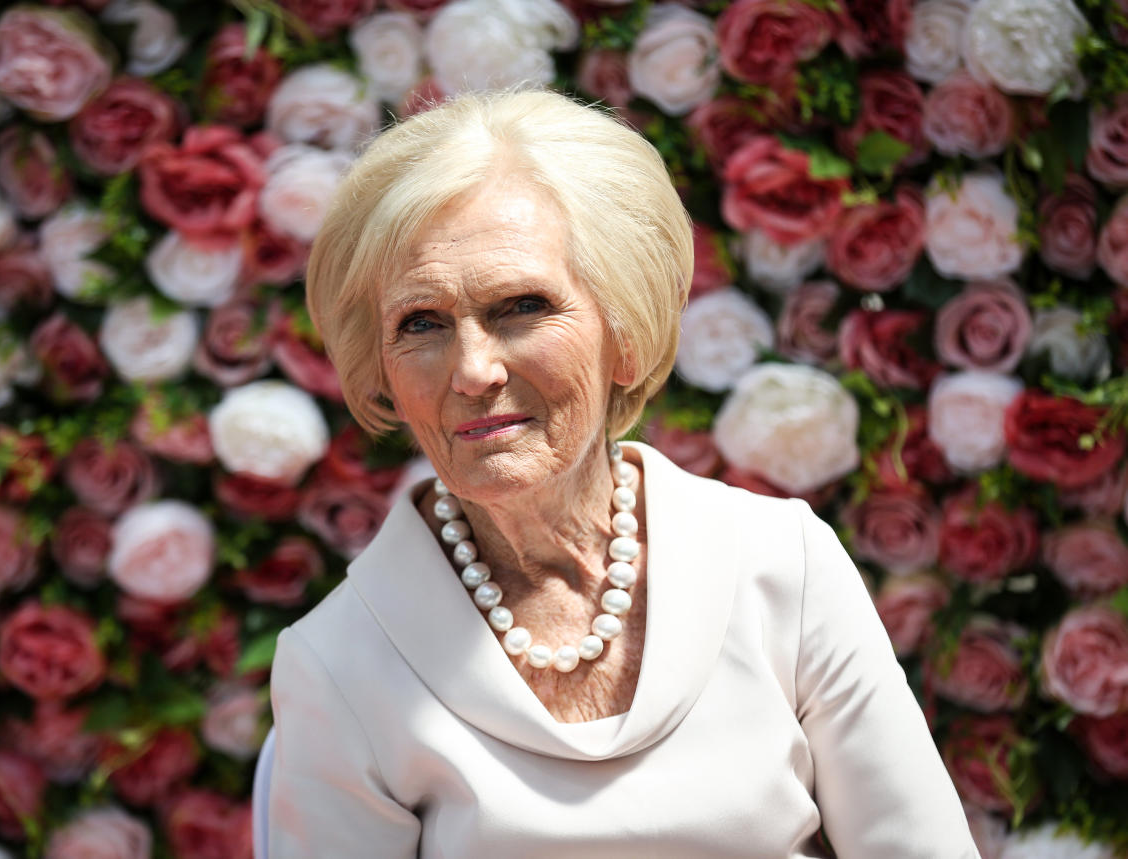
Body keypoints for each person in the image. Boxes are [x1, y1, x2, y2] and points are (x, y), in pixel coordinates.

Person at [266, 89, 979, 857]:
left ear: (627, 335)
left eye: (521, 307)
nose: (472, 370)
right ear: (381, 372)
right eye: (421, 324)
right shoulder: (338, 661)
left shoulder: (782, 567)